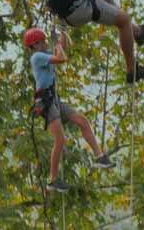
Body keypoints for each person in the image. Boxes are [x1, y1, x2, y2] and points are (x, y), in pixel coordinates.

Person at [24, 27, 115, 193]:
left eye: (44, 40)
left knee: (82, 121)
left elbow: (64, 47)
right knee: (60, 140)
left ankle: (99, 156)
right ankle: (52, 180)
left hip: (55, 99)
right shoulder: (37, 57)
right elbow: (62, 58)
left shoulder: (44, 54)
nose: (45, 43)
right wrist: (58, 47)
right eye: (42, 41)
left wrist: (62, 31)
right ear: (35, 45)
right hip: (46, 103)